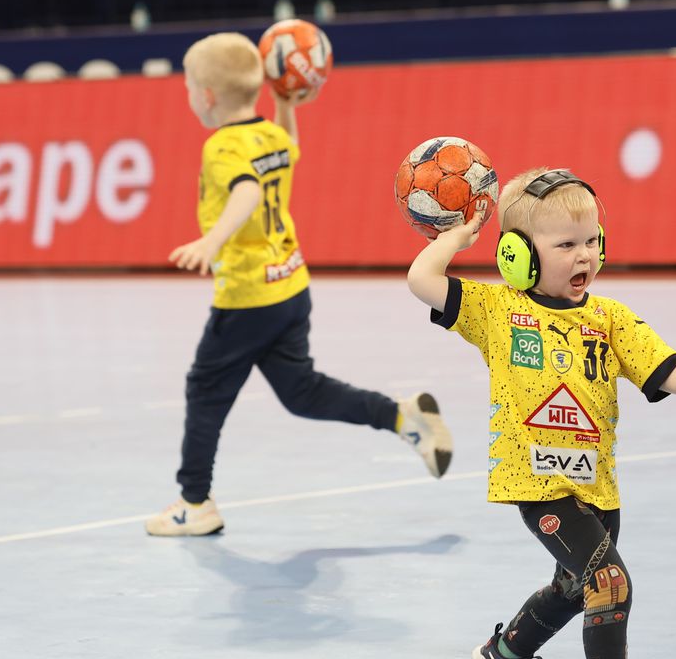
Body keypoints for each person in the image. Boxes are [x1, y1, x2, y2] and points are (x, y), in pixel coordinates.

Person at [405, 168, 676, 659]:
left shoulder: (610, 318)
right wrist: (458, 236)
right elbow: (422, 279)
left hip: (597, 486)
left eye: (591, 241)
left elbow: (662, 366)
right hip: (537, 486)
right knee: (608, 579)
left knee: (574, 587)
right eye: (565, 245)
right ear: (517, 256)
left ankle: (507, 653)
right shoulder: (497, 310)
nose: (583, 255)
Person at [146, 32, 451, 537]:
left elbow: (246, 191)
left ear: (207, 96)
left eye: (188, 87)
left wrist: (211, 241)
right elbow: (290, 151)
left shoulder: (223, 147)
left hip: (247, 298)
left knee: (204, 390)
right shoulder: (269, 133)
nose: (188, 96)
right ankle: (403, 417)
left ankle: (195, 502)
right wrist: (286, 106)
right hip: (289, 288)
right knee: (301, 392)